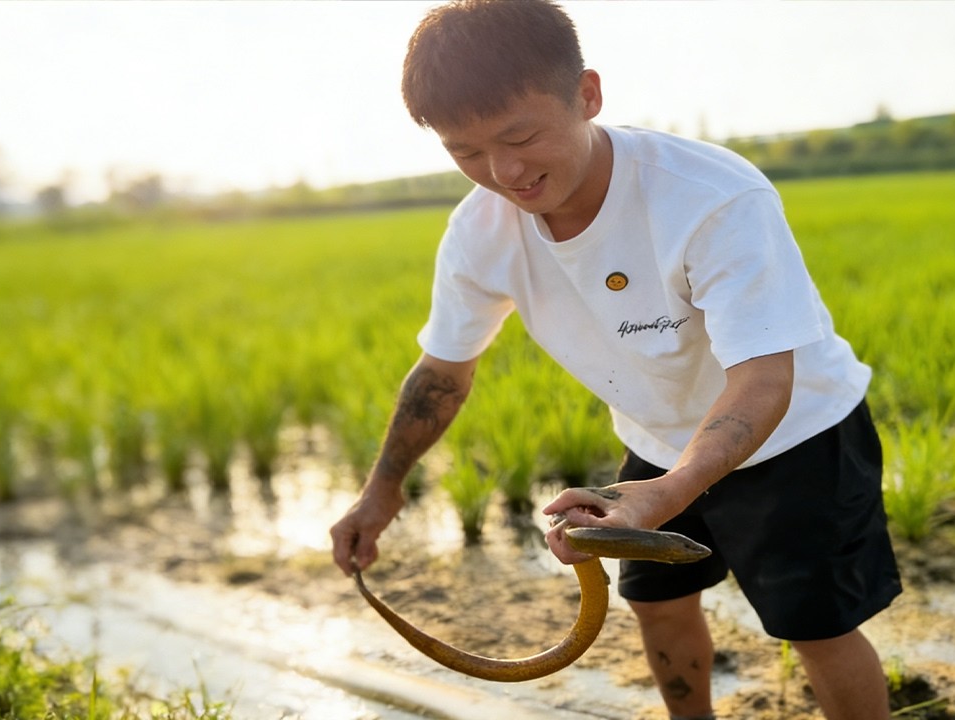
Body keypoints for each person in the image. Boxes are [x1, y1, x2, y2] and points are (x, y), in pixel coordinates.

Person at [328, 1, 902, 718]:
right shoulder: (480, 230)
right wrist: (380, 491)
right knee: (657, 608)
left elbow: (762, 380)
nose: (504, 172)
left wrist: (670, 491)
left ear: (588, 95)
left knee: (815, 626)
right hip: (655, 440)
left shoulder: (710, 197)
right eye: (465, 152)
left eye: (521, 136)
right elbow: (444, 371)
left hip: (796, 437)